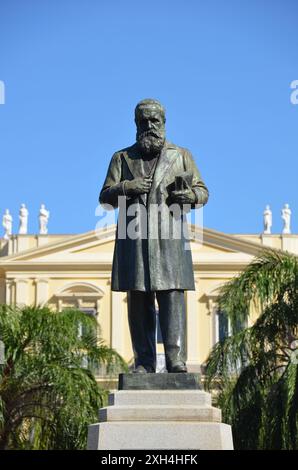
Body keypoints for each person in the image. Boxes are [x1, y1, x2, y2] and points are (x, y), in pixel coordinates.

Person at [99, 99, 209, 373]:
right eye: (143, 121)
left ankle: (176, 360)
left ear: (163, 123)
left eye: (154, 121)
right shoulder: (122, 158)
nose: (149, 126)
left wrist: (190, 195)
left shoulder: (181, 155)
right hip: (133, 240)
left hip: (170, 238)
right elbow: (105, 197)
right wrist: (127, 186)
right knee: (138, 299)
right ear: (136, 124)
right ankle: (144, 362)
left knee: (172, 296)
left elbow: (203, 191)